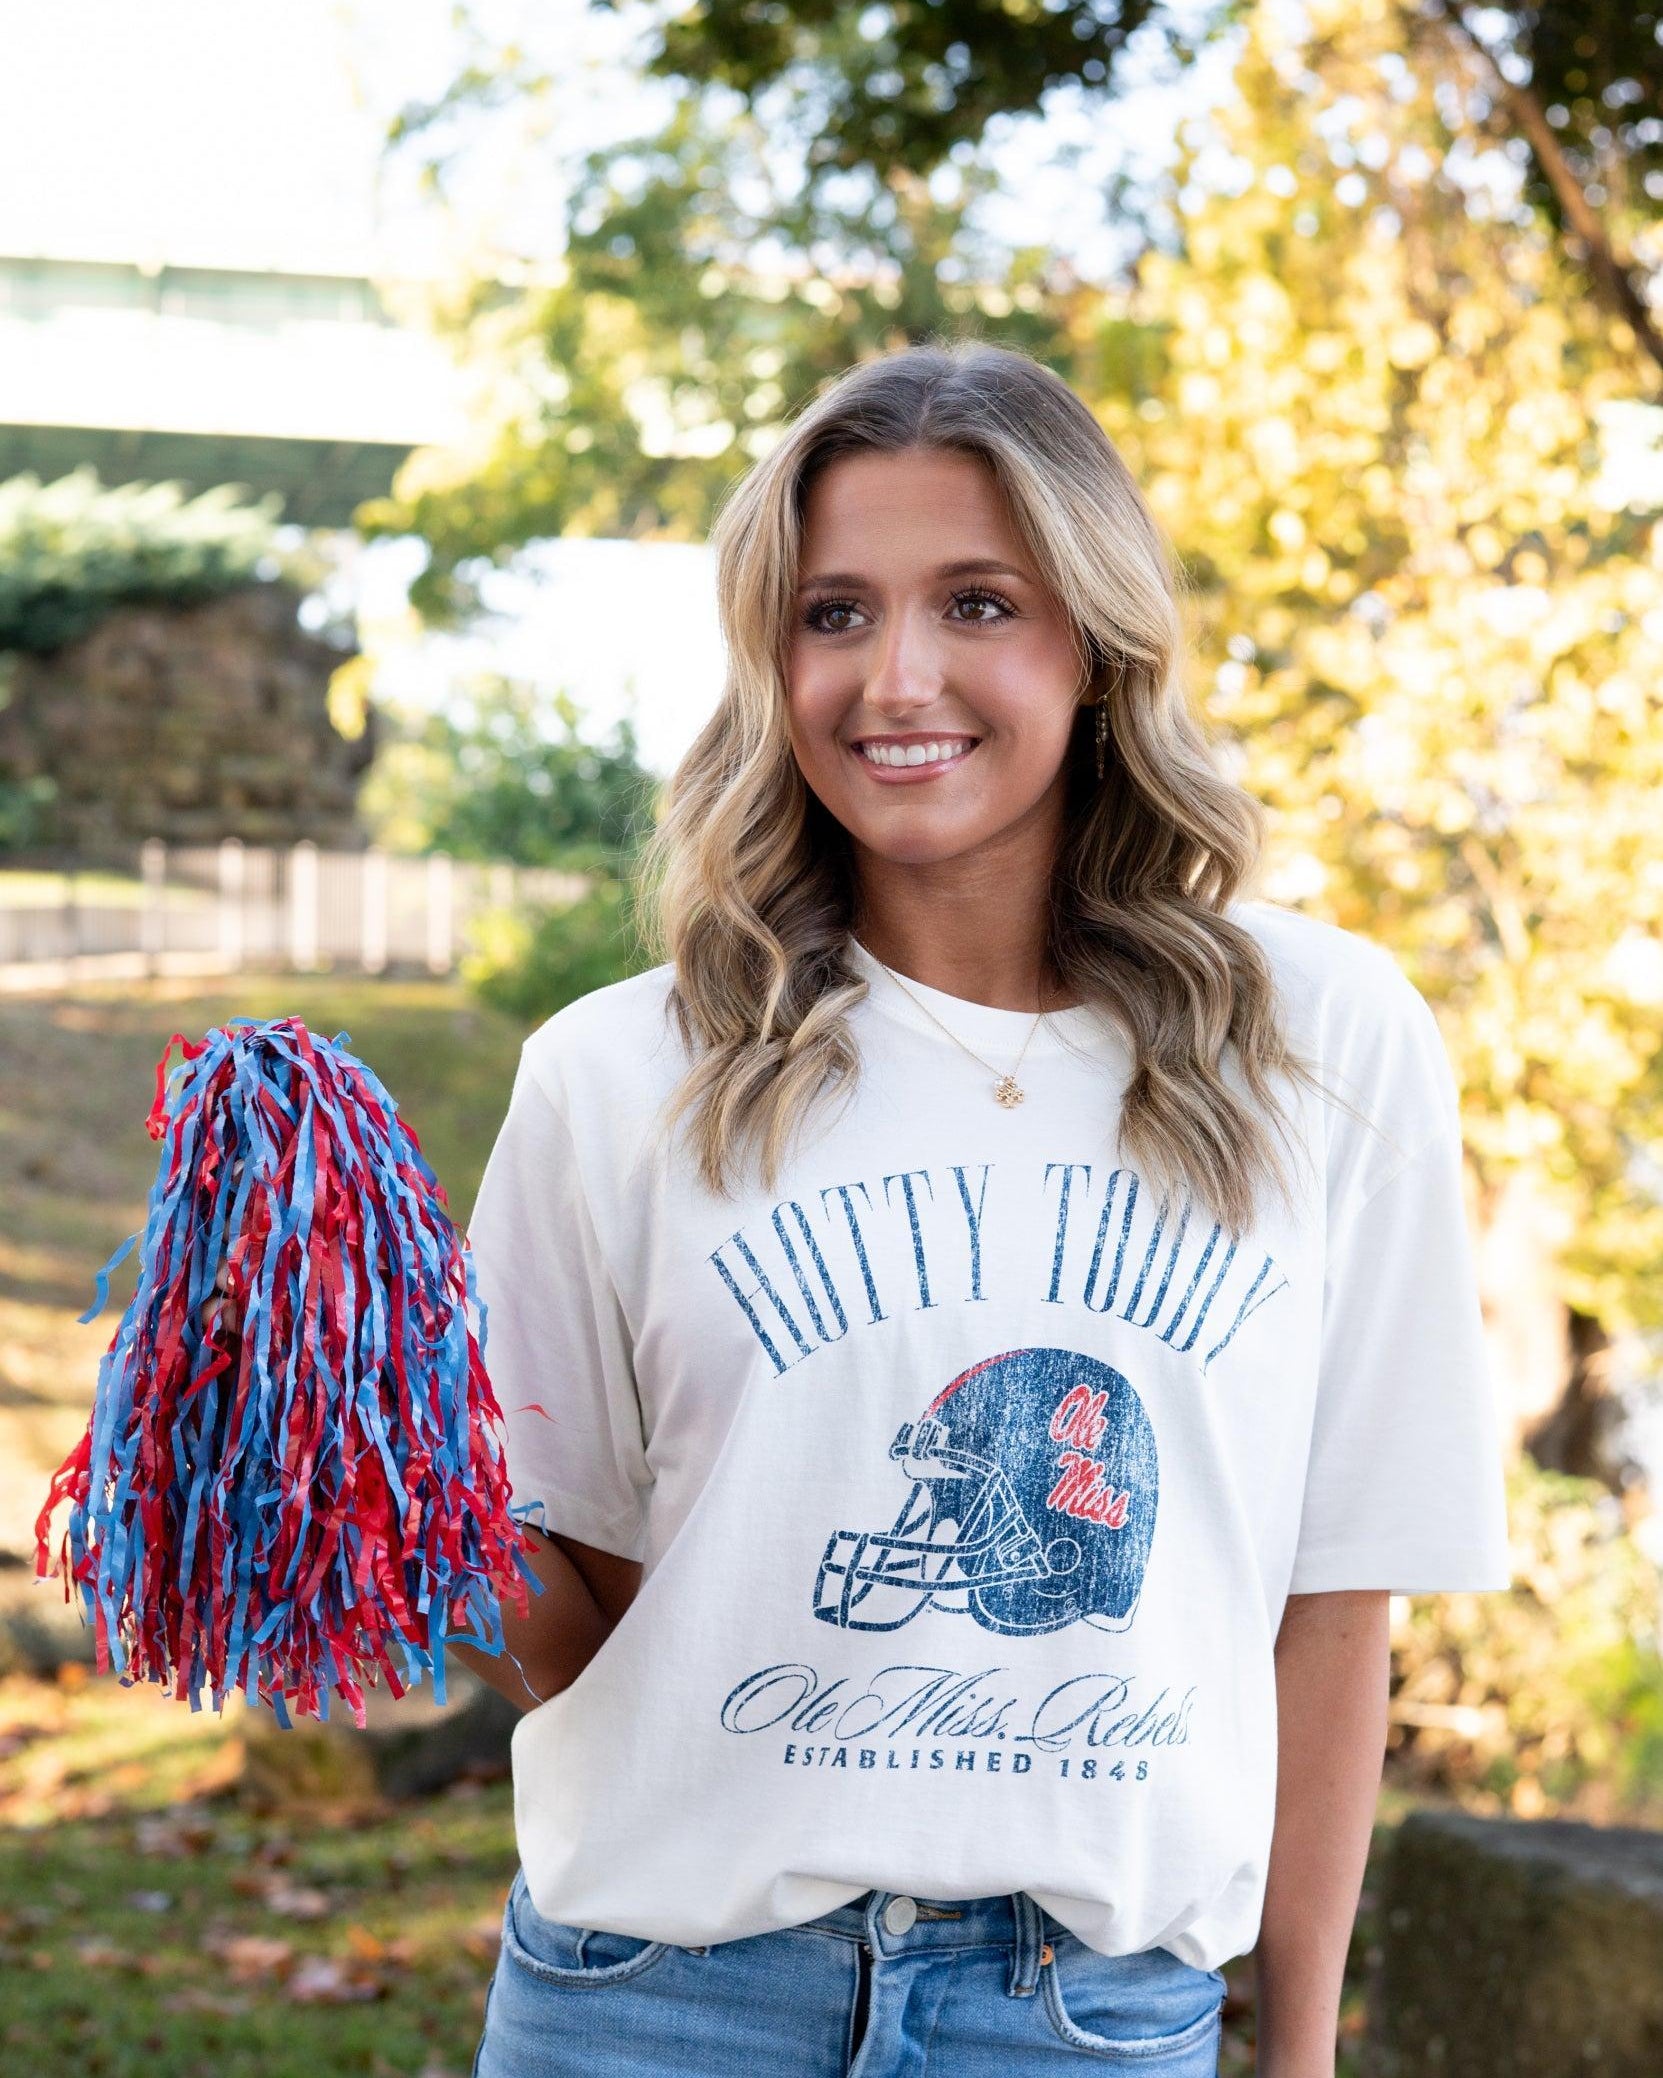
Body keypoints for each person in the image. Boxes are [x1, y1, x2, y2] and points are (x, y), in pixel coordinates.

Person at [450, 339, 1512, 2078]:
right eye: (836, 612)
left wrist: (1304, 2049)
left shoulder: (1323, 1045)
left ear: (1094, 647)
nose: (897, 676)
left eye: (979, 602)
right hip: (660, 1999)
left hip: (1088, 2022)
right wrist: (351, 1462)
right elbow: (587, 1626)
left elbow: (1338, 1607)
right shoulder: (622, 1072)